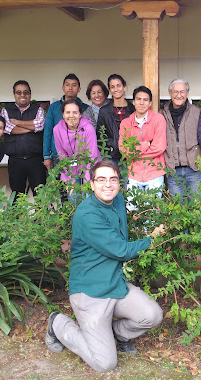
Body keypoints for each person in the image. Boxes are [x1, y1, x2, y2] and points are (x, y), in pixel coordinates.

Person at [45, 159, 164, 372]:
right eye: (101, 179)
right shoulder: (88, 214)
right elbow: (120, 250)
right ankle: (58, 324)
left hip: (115, 285)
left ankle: (117, 334)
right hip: (91, 292)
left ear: (119, 183)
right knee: (105, 363)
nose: (107, 184)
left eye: (113, 179)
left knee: (152, 315)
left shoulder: (117, 200)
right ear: (92, 184)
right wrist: (152, 239)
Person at [0, 80, 46, 199]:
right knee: (17, 195)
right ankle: (18, 218)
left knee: (40, 195)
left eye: (26, 92)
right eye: (18, 92)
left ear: (30, 94)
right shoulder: (6, 111)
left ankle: (40, 218)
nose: (22, 95)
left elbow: (40, 125)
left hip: (35, 160)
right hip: (15, 161)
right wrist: (31, 127)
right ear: (14, 94)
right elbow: (8, 129)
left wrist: (17, 123)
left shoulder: (38, 110)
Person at [118, 86, 167, 196]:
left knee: (153, 210)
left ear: (150, 103)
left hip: (155, 173)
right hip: (133, 174)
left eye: (145, 100)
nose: (141, 103)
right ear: (134, 102)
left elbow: (159, 147)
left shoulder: (158, 119)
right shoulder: (126, 123)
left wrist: (134, 153)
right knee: (132, 209)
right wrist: (146, 144)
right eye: (138, 99)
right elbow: (124, 150)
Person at [161, 78, 201, 196]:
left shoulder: (197, 112)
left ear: (187, 93)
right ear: (170, 93)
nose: (179, 95)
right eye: (175, 92)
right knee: (177, 208)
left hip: (194, 169)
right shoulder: (161, 115)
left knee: (196, 207)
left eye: (182, 92)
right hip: (172, 169)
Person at [44, 74, 89, 170]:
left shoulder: (86, 108)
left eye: (74, 85)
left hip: (81, 156)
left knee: (78, 184)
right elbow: (48, 132)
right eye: (67, 85)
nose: (70, 88)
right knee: (58, 184)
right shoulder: (54, 107)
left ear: (79, 89)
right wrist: (46, 156)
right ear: (63, 88)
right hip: (57, 155)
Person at [52, 99, 100, 187]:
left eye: (75, 112)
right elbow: (62, 155)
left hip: (89, 166)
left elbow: (92, 157)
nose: (71, 116)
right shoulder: (57, 129)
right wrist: (71, 182)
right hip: (71, 168)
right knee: (73, 197)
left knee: (87, 196)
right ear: (63, 114)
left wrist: (87, 182)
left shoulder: (88, 129)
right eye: (67, 112)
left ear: (80, 114)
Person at [96, 74, 135, 167]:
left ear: (124, 87)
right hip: (111, 156)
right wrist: (112, 146)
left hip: (130, 157)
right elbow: (100, 136)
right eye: (112, 87)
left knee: (127, 182)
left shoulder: (133, 109)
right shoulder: (104, 111)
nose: (116, 89)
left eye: (118, 86)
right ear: (109, 90)